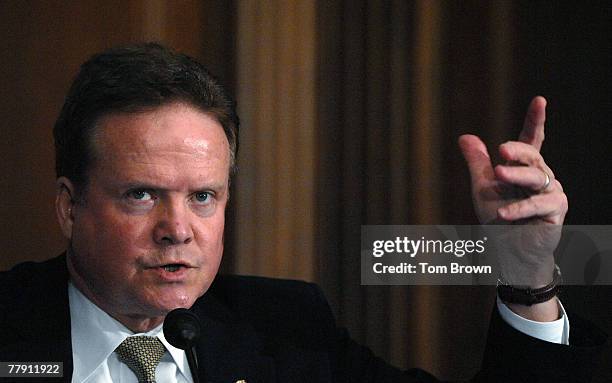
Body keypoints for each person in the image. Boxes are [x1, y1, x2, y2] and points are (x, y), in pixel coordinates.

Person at [0, 43, 606, 382]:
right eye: (141, 194)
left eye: (203, 196)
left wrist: (528, 278)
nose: (178, 229)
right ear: (69, 206)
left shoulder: (286, 331)